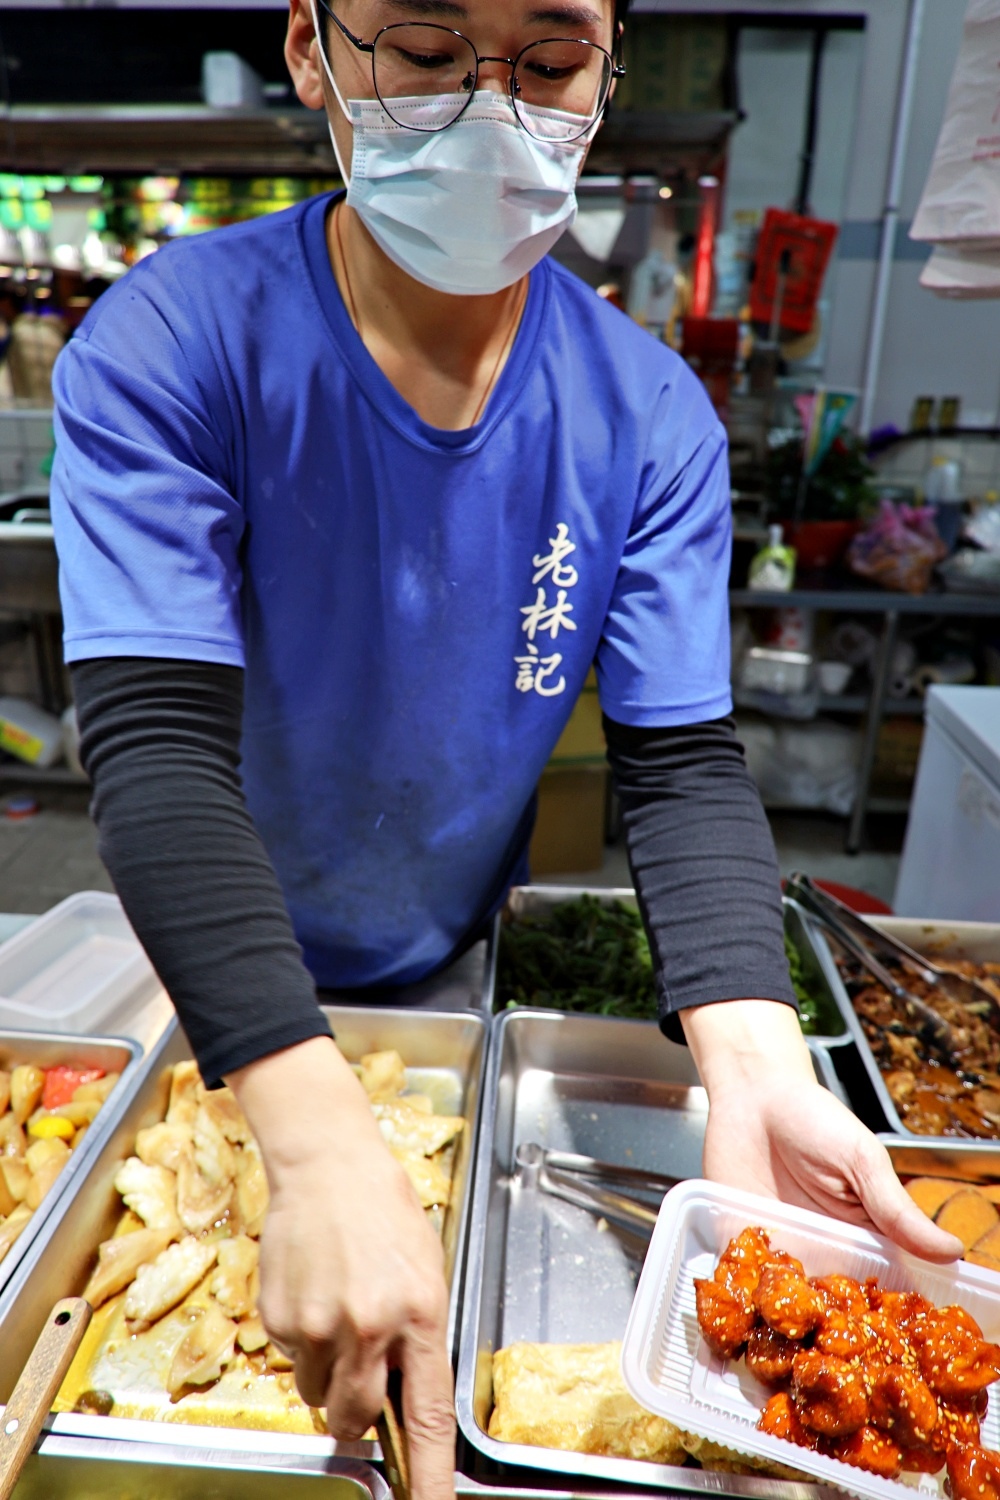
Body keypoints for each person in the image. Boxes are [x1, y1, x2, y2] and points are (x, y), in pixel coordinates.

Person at [50, 3, 962, 1497]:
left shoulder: (648, 415)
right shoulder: (179, 341)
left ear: (607, 71)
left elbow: (677, 765)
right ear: (311, 49)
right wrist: (315, 1137)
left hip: (436, 973)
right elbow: (153, 747)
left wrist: (754, 1061)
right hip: (207, 975)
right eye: (420, 51)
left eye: (546, 66)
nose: (490, 113)